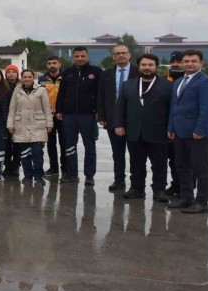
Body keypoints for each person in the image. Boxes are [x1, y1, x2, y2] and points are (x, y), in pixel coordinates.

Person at [113, 54, 172, 202]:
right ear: (138, 66)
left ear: (156, 67)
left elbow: (172, 110)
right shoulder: (128, 85)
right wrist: (119, 124)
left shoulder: (167, 86)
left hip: (158, 132)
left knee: (159, 164)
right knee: (136, 162)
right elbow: (120, 107)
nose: (147, 68)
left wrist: (172, 128)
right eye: (144, 65)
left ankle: (159, 190)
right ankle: (136, 188)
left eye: (150, 65)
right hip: (134, 131)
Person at [167, 50, 208, 214]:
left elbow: (207, 109)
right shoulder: (179, 81)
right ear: (182, 63)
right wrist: (171, 127)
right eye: (186, 61)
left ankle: (202, 202)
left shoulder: (206, 82)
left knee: (200, 169)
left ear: (201, 63)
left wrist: (200, 129)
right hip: (180, 133)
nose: (189, 63)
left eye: (193, 61)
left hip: (198, 134)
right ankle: (186, 197)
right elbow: (174, 107)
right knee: (181, 166)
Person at [55, 46, 102, 185]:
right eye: (77, 56)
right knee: (69, 146)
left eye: (82, 56)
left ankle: (89, 175)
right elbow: (61, 93)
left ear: (87, 56)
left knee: (90, 146)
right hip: (69, 116)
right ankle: (72, 174)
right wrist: (59, 110)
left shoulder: (96, 72)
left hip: (88, 116)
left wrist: (100, 111)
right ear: (73, 57)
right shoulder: (68, 73)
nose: (80, 59)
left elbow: (101, 94)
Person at [97, 44, 139, 191]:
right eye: (117, 53)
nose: (121, 56)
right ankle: (119, 180)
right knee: (117, 152)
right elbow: (101, 95)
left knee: (136, 153)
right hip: (113, 119)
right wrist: (101, 115)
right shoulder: (106, 74)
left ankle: (136, 183)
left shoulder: (138, 72)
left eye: (123, 53)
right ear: (113, 57)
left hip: (134, 119)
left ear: (129, 55)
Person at [7, 69, 52, 185]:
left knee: (37, 153)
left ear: (33, 78)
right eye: (25, 77)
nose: (27, 79)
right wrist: (10, 124)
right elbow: (12, 108)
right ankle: (27, 176)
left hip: (37, 125)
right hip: (20, 126)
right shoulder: (17, 90)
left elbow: (47, 108)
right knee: (25, 154)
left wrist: (49, 123)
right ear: (21, 78)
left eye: (29, 77)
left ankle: (38, 176)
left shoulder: (41, 90)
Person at [39, 56, 65, 178]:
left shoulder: (66, 78)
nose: (52, 65)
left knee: (65, 143)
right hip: (48, 117)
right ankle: (53, 168)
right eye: (49, 63)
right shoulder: (42, 79)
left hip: (63, 116)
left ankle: (65, 168)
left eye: (54, 63)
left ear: (59, 64)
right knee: (50, 144)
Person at [164, 50, 185, 198]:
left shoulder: (189, 80)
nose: (175, 64)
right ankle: (175, 184)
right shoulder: (164, 79)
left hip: (185, 127)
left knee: (185, 161)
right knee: (173, 159)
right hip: (168, 127)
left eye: (179, 61)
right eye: (173, 62)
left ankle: (186, 188)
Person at [3, 64, 21, 177]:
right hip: (5, 118)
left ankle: (16, 166)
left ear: (17, 73)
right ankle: (7, 166)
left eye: (13, 72)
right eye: (9, 72)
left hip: (19, 118)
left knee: (18, 144)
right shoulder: (2, 85)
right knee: (6, 144)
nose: (11, 74)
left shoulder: (22, 85)